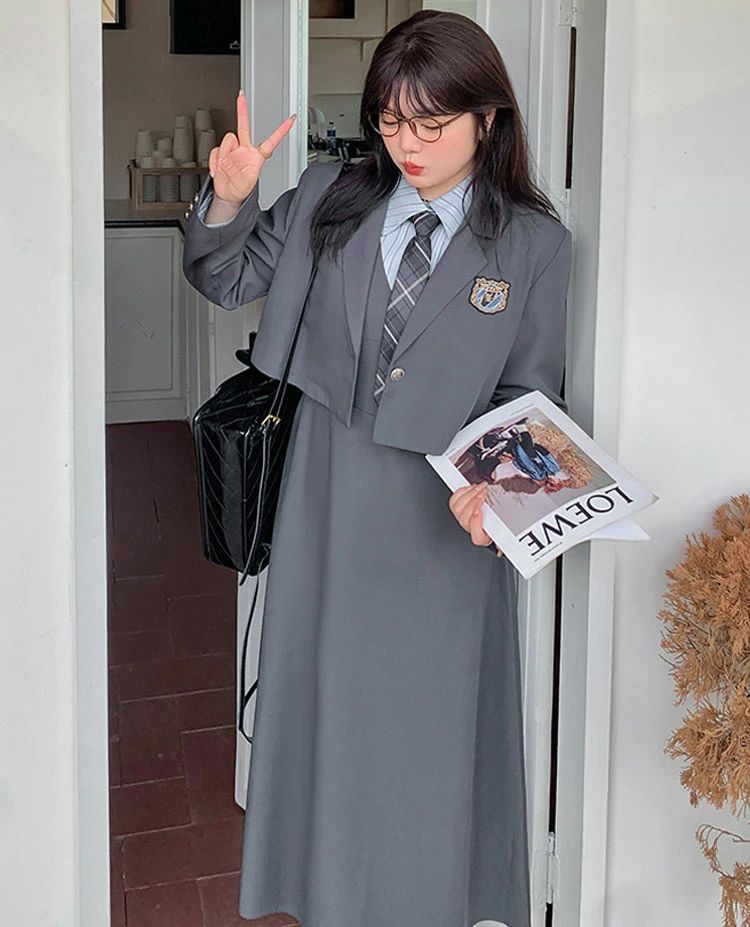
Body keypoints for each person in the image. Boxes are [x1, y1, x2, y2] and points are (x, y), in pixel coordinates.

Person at [182, 10, 572, 927]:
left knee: (425, 735)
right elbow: (225, 278)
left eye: (431, 123)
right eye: (392, 122)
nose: (409, 146)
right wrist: (229, 200)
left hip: (446, 524)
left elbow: (529, 398)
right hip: (326, 494)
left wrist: (503, 499)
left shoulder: (533, 244)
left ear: (487, 118)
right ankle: (323, 897)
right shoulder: (331, 196)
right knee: (328, 714)